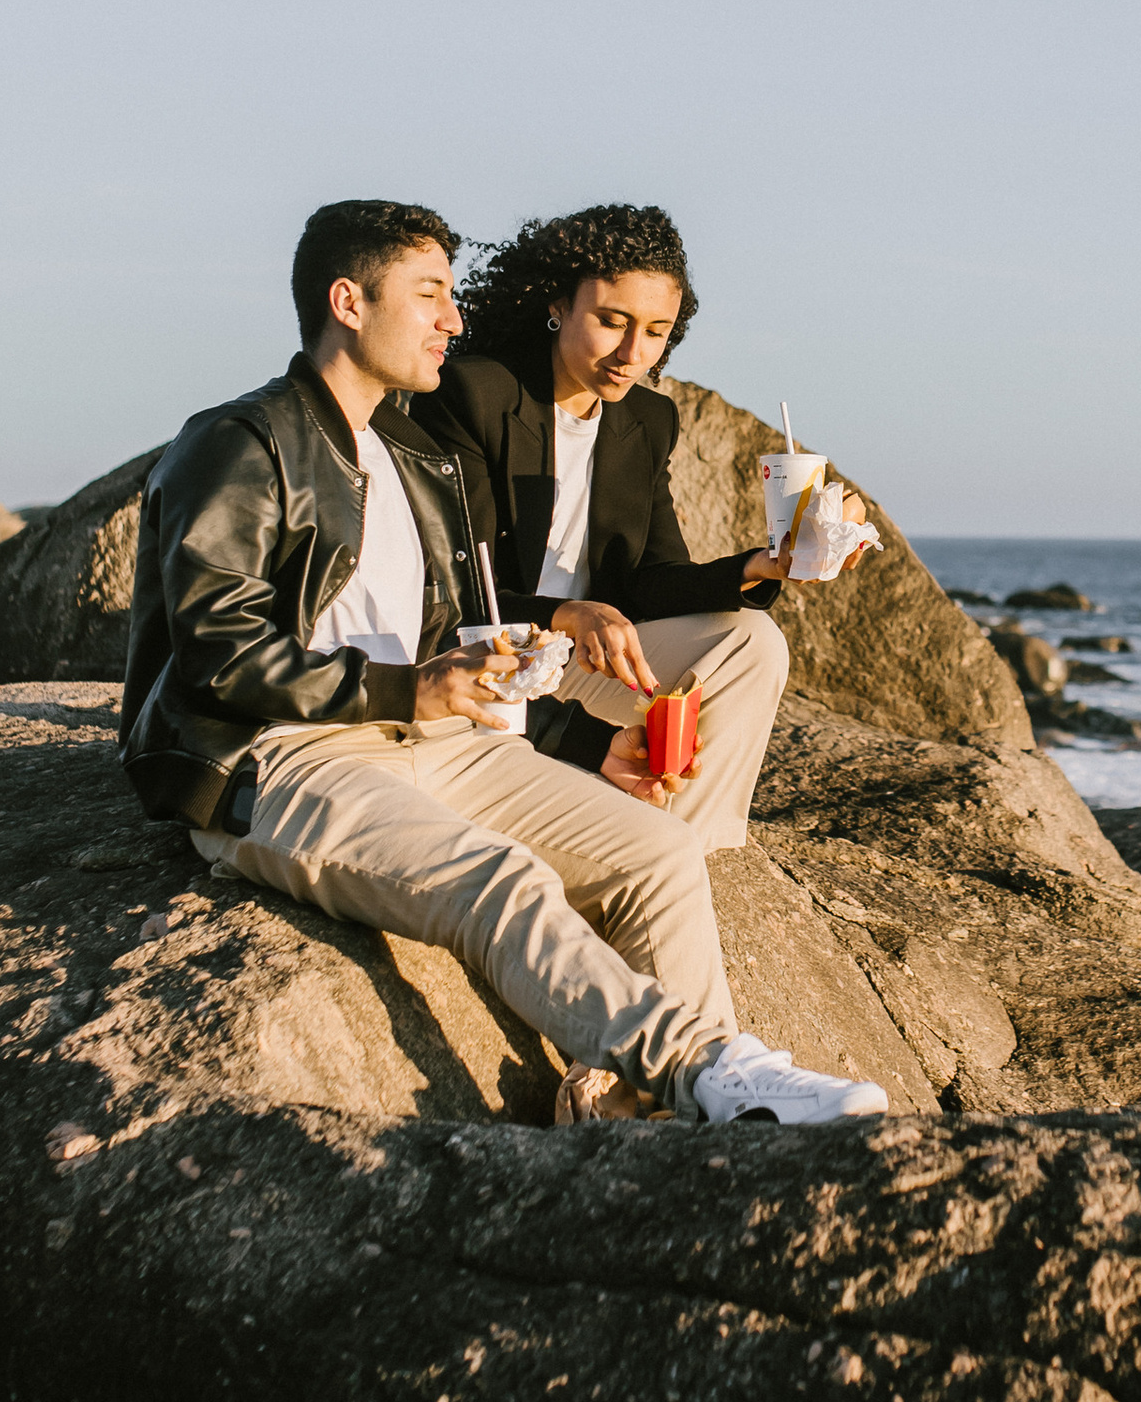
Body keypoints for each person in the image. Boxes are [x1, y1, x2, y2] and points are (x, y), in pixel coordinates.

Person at [118, 197, 884, 1128]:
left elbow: (467, 632)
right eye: (432, 295)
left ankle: (648, 1119)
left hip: (444, 739)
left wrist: (576, 739)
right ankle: (711, 1072)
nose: (455, 317)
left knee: (663, 850)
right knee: (501, 880)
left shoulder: (412, 456)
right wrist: (412, 689)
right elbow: (217, 650)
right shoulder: (241, 442)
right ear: (348, 302)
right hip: (285, 757)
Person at [411, 198, 864, 790]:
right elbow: (454, 586)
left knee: (751, 641)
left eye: (656, 332)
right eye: (612, 321)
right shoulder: (475, 394)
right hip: (488, 658)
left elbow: (653, 578)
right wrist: (566, 614)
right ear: (557, 304)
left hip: (585, 664)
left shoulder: (647, 421)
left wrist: (764, 564)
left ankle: (686, 843)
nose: (633, 354)